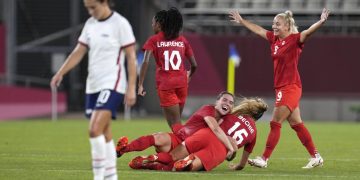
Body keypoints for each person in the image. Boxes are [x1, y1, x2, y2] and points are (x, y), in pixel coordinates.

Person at [229, 8, 330, 169]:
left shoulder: (295, 39)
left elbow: (308, 32)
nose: (274, 26)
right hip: (282, 87)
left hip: (290, 87)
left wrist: (321, 21)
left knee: (275, 122)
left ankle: (264, 159)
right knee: (297, 124)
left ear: (287, 26)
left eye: (278, 24)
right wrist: (242, 21)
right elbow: (259, 30)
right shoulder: (274, 39)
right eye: (273, 23)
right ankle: (316, 156)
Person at [50, 0, 137, 179]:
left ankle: (98, 177)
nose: (90, 12)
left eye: (93, 7)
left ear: (104, 2)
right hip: (93, 85)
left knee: (94, 129)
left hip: (113, 83)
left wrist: (131, 87)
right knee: (104, 132)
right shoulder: (90, 24)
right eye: (87, 8)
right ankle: (111, 177)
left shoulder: (120, 24)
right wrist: (61, 72)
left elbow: (130, 57)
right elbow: (78, 52)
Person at [129, 97, 268, 172]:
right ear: (258, 118)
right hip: (219, 149)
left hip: (205, 134)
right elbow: (242, 164)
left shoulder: (231, 114)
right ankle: (158, 165)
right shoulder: (254, 133)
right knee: (186, 168)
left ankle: (152, 158)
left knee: (172, 156)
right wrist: (235, 163)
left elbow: (215, 124)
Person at [116, 91, 235, 159]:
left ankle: (145, 161)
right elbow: (215, 128)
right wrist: (230, 148)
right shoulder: (208, 109)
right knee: (157, 137)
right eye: (224, 100)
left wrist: (231, 152)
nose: (227, 104)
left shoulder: (227, 120)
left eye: (230, 103)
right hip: (178, 139)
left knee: (166, 161)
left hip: (190, 149)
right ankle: (124, 149)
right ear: (217, 102)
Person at [138, 7, 198, 134]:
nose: (152, 25)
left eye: (153, 23)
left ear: (159, 24)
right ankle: (177, 150)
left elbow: (145, 61)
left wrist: (140, 84)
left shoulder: (154, 40)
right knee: (176, 124)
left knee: (176, 125)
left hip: (166, 86)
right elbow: (194, 65)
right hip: (182, 84)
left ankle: (191, 146)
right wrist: (189, 75)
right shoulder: (182, 40)